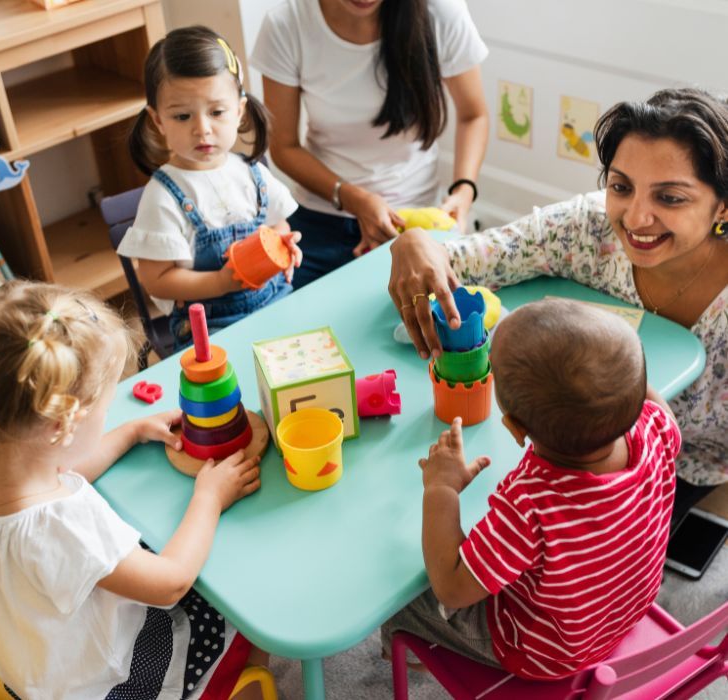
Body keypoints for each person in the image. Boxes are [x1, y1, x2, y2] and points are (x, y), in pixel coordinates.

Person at [388, 87, 728, 523]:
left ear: (722, 206)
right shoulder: (586, 230)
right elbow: (464, 261)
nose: (636, 218)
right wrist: (414, 242)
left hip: (690, 464)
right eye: (621, 187)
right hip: (566, 443)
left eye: (670, 197)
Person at [0, 276, 266, 700]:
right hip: (106, 686)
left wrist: (131, 431)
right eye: (105, 409)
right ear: (63, 425)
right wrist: (209, 498)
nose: (109, 417)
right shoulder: (63, 528)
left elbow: (62, 465)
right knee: (241, 605)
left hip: (34, 670)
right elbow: (170, 582)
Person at [382, 298, 681, 679]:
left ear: (516, 429)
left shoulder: (530, 504)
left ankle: (413, 658)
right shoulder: (656, 426)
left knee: (402, 594)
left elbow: (451, 588)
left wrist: (442, 488)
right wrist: (617, 379)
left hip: (544, 653)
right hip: (621, 612)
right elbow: (660, 410)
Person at [251, 0, 489, 288]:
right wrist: (354, 198)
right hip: (322, 215)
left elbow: (473, 115)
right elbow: (284, 147)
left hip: (413, 218)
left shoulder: (440, 12)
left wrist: (464, 191)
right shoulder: (287, 24)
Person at [120, 26, 302, 348]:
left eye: (217, 112)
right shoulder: (163, 197)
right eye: (182, 116)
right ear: (158, 120)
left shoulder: (252, 173)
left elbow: (276, 223)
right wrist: (220, 283)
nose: (202, 130)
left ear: (239, 111)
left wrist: (283, 246)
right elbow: (156, 280)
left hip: (276, 302)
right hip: (210, 327)